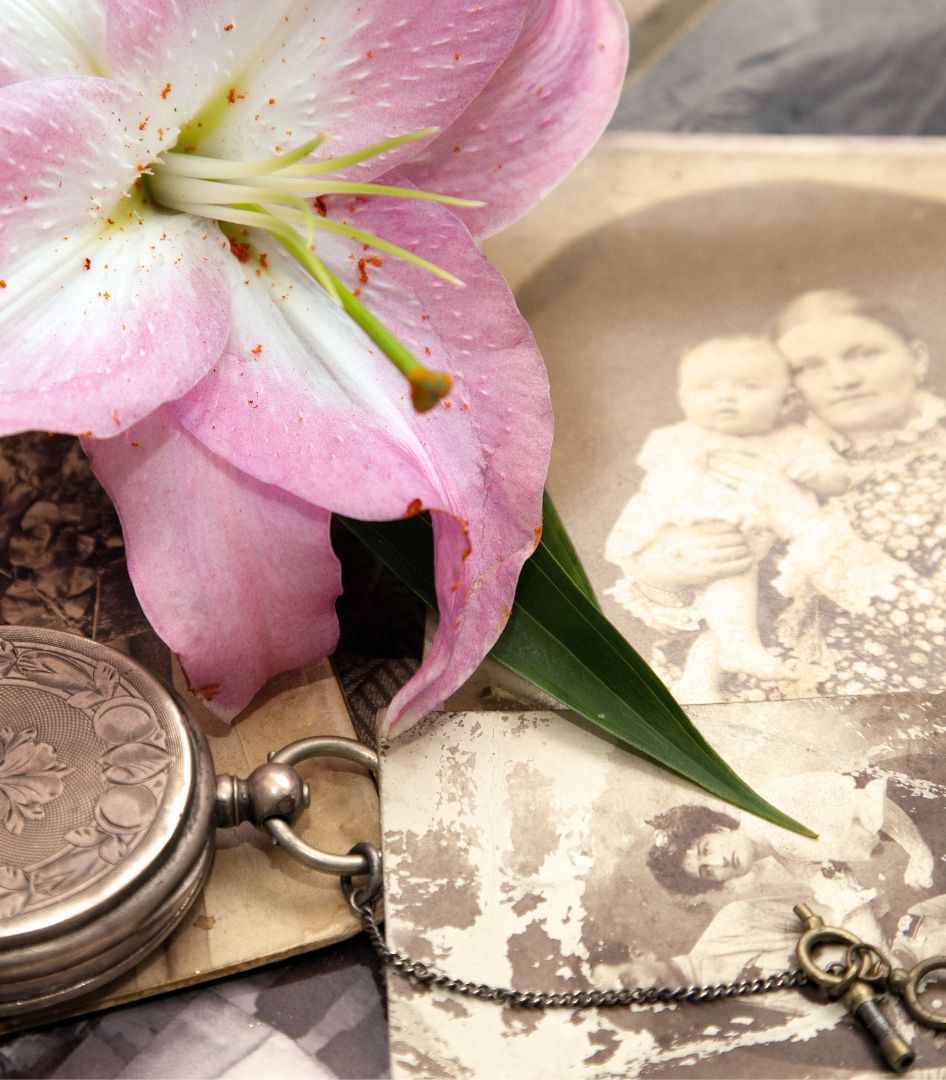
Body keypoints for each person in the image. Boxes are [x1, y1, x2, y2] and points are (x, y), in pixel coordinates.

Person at [624, 290, 946, 701]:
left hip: (884, 713)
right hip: (719, 704)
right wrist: (669, 572)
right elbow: (680, 612)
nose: (843, 380)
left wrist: (802, 522)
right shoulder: (754, 449)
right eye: (808, 366)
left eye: (865, 354)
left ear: (917, 358)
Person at [605, 335, 855, 699]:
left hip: (767, 550)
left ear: (786, 400)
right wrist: (716, 509)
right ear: (684, 398)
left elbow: (840, 478)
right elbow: (669, 486)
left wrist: (815, 474)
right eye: (706, 388)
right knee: (732, 581)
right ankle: (730, 655)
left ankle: (702, 678)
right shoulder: (681, 439)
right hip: (705, 533)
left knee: (746, 612)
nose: (725, 396)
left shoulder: (793, 439)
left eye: (748, 386)